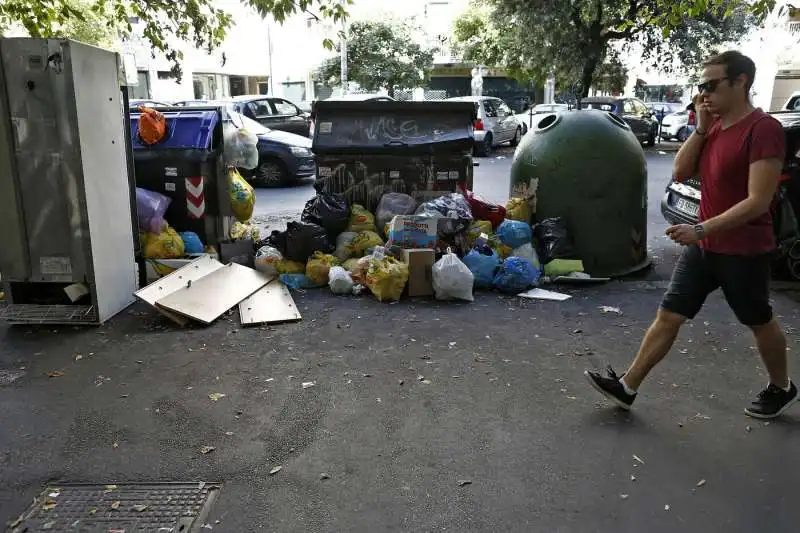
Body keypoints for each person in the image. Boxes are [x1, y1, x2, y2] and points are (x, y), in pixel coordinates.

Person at [585, 51, 796, 419]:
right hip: (705, 248)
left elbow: (758, 202)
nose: (704, 94)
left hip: (744, 251)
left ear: (741, 82)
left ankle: (782, 387)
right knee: (669, 315)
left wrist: (700, 229)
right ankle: (628, 387)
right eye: (701, 87)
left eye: (711, 86)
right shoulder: (712, 126)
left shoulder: (763, 130)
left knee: (758, 320)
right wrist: (699, 127)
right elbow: (681, 172)